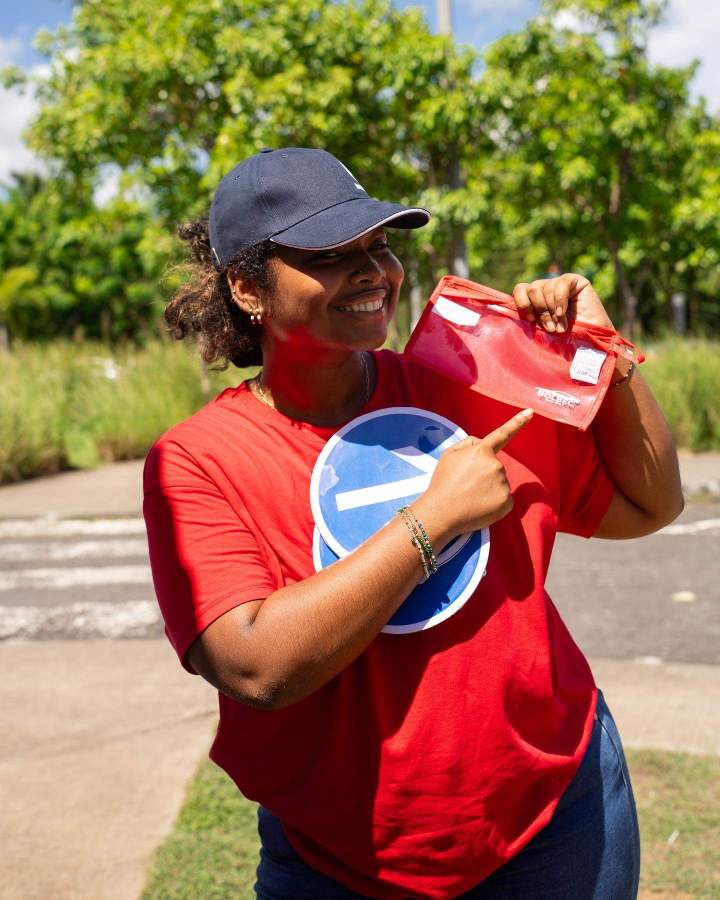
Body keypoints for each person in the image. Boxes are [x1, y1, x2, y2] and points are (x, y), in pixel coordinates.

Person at [143, 147, 684, 900]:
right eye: (331, 256)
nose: (373, 272)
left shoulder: (465, 380)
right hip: (339, 861)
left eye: (379, 246)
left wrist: (605, 351)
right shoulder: (198, 459)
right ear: (247, 287)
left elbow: (652, 504)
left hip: (558, 821)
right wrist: (432, 519)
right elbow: (254, 667)